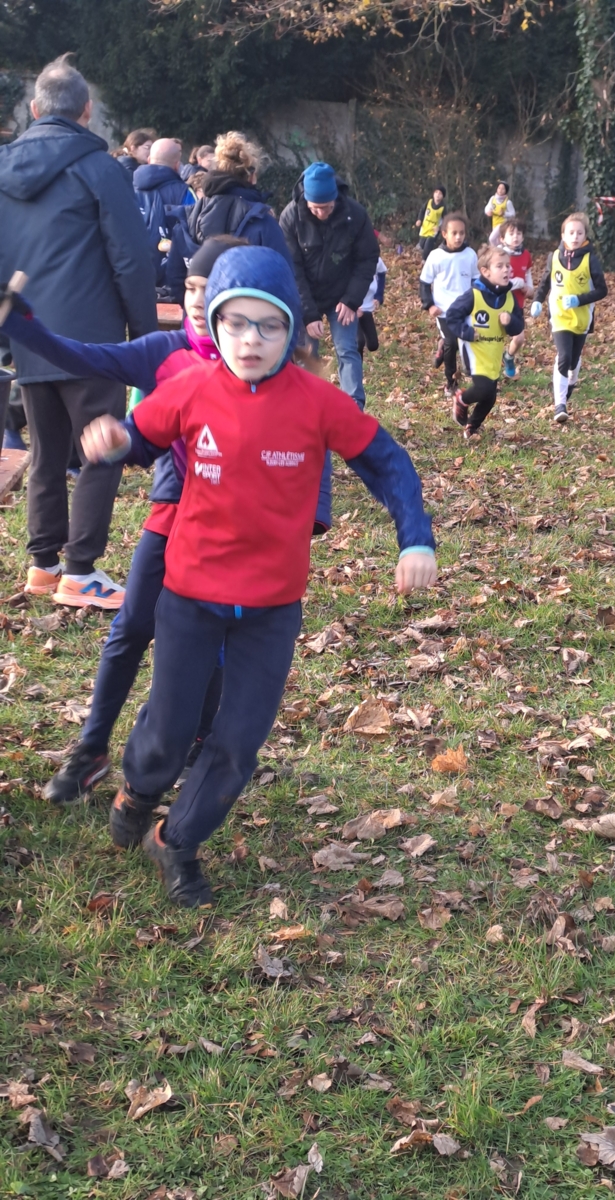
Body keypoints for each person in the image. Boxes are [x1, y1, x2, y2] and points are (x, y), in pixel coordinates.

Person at [79, 245, 437, 907]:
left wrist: (415, 537)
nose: (250, 340)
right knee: (170, 728)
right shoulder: (191, 387)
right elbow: (142, 435)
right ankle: (140, 788)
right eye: (236, 322)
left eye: (268, 325)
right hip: (189, 595)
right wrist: (115, 441)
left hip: (271, 608)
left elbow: (387, 461)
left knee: (238, 741)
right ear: (215, 323)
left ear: (291, 330)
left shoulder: (317, 402)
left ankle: (177, 840)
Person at [0, 237, 274, 804]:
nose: (195, 299)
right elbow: (83, 357)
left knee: (216, 638)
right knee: (130, 629)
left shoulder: (263, 360)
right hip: (173, 510)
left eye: (208, 290)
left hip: (235, 527)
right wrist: (21, 323)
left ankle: (200, 740)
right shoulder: (164, 350)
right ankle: (91, 750)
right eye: (190, 287)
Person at [0, 54, 157, 609]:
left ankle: (43, 565)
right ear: (87, 110)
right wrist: (145, 341)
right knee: (101, 451)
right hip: (92, 338)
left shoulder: (2, 168)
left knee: (45, 453)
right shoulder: (101, 169)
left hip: (29, 334)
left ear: (35, 108)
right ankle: (80, 571)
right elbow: (132, 259)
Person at [279, 161, 378, 410]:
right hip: (306, 295)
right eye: (316, 208)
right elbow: (292, 268)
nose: (322, 213)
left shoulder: (355, 215)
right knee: (306, 353)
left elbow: (367, 259)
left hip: (341, 295)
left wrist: (352, 299)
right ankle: (306, 407)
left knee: (348, 350)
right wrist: (308, 313)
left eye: (327, 207)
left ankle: (354, 407)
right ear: (306, 200)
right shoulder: (291, 217)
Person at [164, 130, 290, 306]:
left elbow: (175, 279)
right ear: (251, 176)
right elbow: (283, 279)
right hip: (243, 319)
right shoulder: (262, 221)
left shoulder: (187, 217)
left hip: (196, 317)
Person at [532, 211, 608, 425]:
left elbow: (602, 290)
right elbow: (545, 281)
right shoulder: (554, 257)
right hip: (559, 316)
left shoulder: (590, 260)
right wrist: (538, 300)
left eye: (579, 233)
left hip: (581, 318)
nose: (575, 236)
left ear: (585, 236)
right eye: (571, 232)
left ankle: (570, 382)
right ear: (563, 234)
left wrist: (578, 300)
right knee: (564, 356)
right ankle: (560, 405)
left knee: (573, 361)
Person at [443, 243, 523, 441]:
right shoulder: (474, 295)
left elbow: (518, 327)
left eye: (508, 266)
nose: (506, 270)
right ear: (485, 271)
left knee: (490, 397)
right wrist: (467, 332)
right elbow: (452, 316)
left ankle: (472, 426)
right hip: (474, 349)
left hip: (493, 353)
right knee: (483, 388)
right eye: (500, 266)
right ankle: (462, 399)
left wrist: (510, 322)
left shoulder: (510, 298)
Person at [419, 212, 479, 399]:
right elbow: (424, 283)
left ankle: (479, 379)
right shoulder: (436, 256)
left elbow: (476, 281)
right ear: (444, 234)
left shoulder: (470, 255)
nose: (458, 237)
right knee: (452, 343)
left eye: (462, 233)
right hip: (444, 311)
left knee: (471, 340)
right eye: (454, 233)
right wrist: (429, 305)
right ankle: (450, 383)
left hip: (466, 309)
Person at [133, 138, 194, 279]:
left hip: (134, 271)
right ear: (177, 165)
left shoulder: (127, 187)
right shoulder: (185, 193)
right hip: (171, 274)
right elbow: (194, 232)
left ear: (149, 160)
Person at [490, 218, 533, 378]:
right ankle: (489, 373)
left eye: (519, 233)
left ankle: (508, 357)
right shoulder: (499, 255)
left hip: (517, 304)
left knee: (519, 338)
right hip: (498, 303)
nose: (515, 236)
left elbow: (528, 276)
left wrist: (529, 288)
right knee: (495, 339)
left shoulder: (526, 255)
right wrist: (516, 283)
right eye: (511, 233)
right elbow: (494, 280)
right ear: (502, 238)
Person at [357, 255, 387, 358]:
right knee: (359, 342)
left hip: (367, 306)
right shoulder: (348, 256)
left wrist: (378, 296)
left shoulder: (374, 258)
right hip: (351, 308)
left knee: (373, 345)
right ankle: (356, 366)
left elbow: (381, 273)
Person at [415, 186, 446, 261]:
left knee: (429, 243)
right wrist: (419, 220)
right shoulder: (428, 202)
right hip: (425, 226)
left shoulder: (443, 207)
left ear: (443, 196)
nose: (437, 195)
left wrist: (440, 228)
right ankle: (421, 247)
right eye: (436, 192)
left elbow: (446, 219)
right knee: (422, 244)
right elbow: (422, 211)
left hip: (434, 229)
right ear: (433, 194)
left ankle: (424, 260)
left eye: (440, 193)